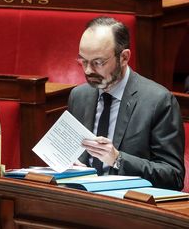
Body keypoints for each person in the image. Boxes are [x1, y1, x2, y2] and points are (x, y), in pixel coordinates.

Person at [68, 16, 185, 190]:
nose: (88, 70)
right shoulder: (79, 96)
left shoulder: (158, 101)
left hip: (127, 206)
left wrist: (117, 159)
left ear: (124, 57)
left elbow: (173, 177)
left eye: (98, 62)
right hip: (80, 201)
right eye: (83, 61)